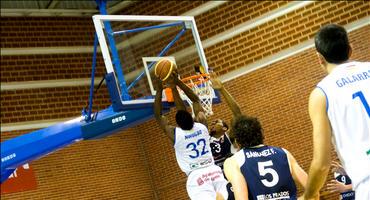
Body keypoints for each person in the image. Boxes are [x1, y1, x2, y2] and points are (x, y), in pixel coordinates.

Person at [301, 24, 370, 200]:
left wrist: (309, 195)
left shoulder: (321, 94)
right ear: (350, 49)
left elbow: (322, 163)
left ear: (320, 58)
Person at [153, 74, 229, 200]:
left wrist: (159, 89)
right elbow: (195, 100)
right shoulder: (202, 126)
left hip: (196, 177)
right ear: (192, 119)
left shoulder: (175, 134)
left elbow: (158, 115)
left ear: (178, 125)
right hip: (214, 171)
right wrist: (177, 82)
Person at [223, 115, 308, 199]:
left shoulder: (233, 161)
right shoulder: (284, 153)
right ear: (261, 134)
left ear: (237, 141)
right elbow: (312, 189)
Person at [209, 75, 241, 170]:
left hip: (234, 174)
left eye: (217, 122)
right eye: (213, 122)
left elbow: (237, 114)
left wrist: (222, 89)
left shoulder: (228, 136)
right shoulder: (206, 139)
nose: (213, 123)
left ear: (224, 128)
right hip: (218, 178)